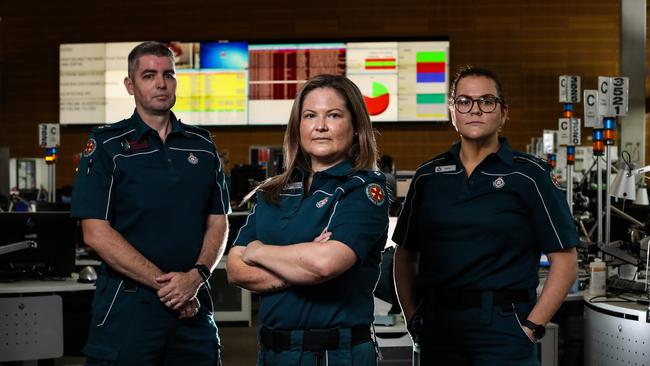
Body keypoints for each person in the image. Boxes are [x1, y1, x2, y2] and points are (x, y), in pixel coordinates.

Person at [393, 66, 578, 365]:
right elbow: (405, 254)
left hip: (504, 329)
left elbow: (565, 261)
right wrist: (413, 318)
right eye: (464, 101)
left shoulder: (530, 175)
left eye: (487, 101)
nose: (475, 110)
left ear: (504, 112)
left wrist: (530, 327)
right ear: (452, 111)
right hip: (439, 327)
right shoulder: (428, 176)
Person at [71, 41, 230, 365]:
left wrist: (196, 277)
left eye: (168, 74)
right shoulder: (106, 145)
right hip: (127, 308)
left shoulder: (201, 146)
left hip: (193, 307)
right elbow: (95, 232)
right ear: (130, 85)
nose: (161, 83)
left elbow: (219, 221)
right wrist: (171, 288)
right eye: (148, 75)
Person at [226, 74, 389, 366]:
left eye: (334, 115)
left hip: (334, 354)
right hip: (272, 353)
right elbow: (236, 269)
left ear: (355, 127)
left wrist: (259, 252)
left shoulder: (362, 190)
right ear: (298, 126)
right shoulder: (273, 191)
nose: (321, 126)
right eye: (310, 115)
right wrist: (304, 263)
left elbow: (324, 263)